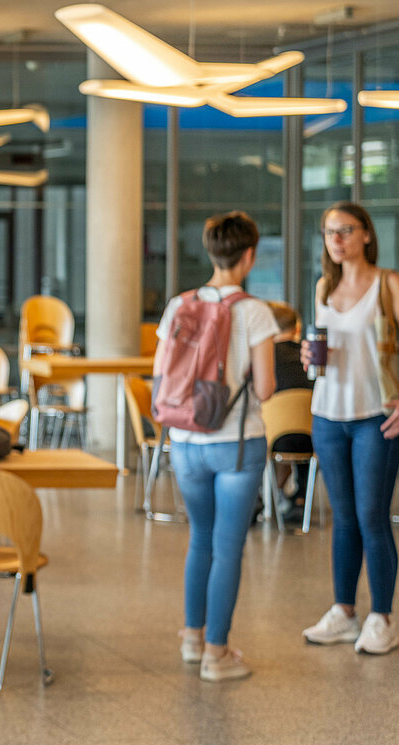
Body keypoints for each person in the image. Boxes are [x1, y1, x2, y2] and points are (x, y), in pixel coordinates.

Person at [155, 212, 276, 682]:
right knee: (228, 547)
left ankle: (192, 638)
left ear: (211, 252)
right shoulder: (255, 312)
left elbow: (164, 375)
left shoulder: (178, 305)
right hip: (236, 445)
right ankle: (217, 653)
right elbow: (265, 389)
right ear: (248, 256)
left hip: (185, 441)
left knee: (200, 540)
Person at [299, 201, 399, 655]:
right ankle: (343, 611)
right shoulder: (324, 287)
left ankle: (381, 616)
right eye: (328, 232)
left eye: (344, 230)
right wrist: (306, 356)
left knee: (372, 518)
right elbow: (320, 349)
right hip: (327, 415)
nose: (335, 239)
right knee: (342, 520)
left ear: (365, 235)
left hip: (375, 417)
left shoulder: (389, 284)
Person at [266, 301, 314, 526]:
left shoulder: (264, 358)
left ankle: (260, 499)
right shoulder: (310, 358)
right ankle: (301, 498)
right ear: (297, 328)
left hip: (272, 440)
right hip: (312, 441)